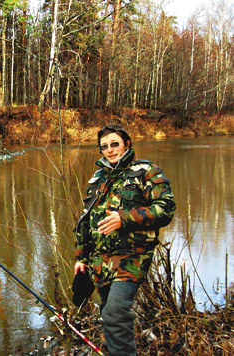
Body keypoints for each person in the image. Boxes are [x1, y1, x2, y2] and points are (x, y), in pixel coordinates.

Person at [72, 124, 176, 356]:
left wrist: (124, 218)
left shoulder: (146, 171)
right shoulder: (98, 177)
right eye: (104, 147)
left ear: (127, 144)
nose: (109, 150)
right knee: (109, 311)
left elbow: (166, 209)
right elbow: (85, 221)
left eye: (114, 144)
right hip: (100, 260)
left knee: (115, 312)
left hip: (132, 256)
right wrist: (81, 257)